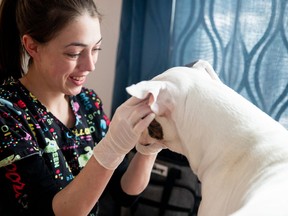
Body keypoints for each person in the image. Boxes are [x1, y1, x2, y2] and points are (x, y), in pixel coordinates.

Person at [0, 0, 164, 215]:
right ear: (32, 46)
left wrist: (150, 142)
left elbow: (124, 192)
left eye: (96, 49)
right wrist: (112, 148)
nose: (90, 65)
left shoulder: (88, 103)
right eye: (74, 53)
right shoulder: (7, 114)